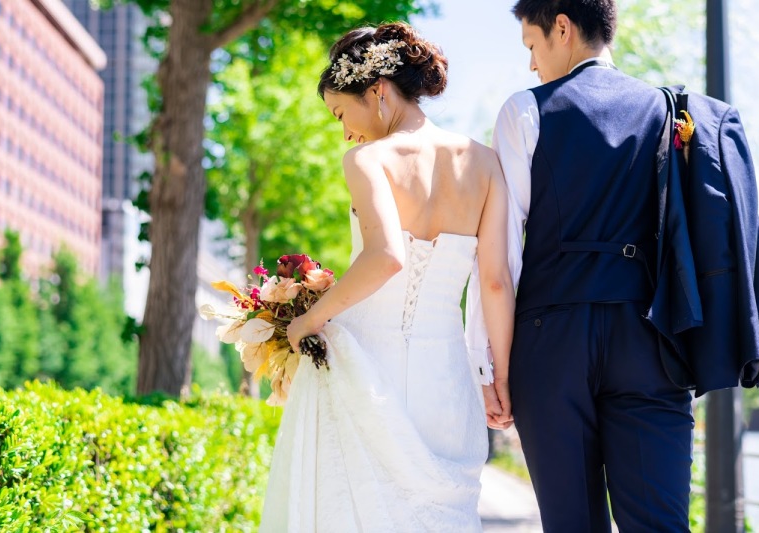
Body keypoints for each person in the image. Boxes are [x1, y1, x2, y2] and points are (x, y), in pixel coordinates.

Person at [259, 22, 515, 532]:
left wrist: (308, 319)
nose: (345, 131)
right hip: (447, 376)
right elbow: (495, 283)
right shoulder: (486, 164)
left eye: (341, 113)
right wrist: (499, 378)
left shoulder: (367, 159)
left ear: (375, 91)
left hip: (368, 368)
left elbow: (386, 257)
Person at [466, 1, 698, 531]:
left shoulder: (525, 110)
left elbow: (500, 263)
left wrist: (494, 369)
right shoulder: (667, 109)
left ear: (562, 29)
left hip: (551, 343)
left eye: (531, 45)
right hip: (651, 338)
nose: (530, 65)